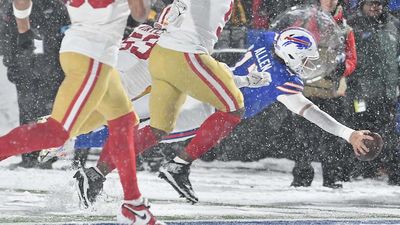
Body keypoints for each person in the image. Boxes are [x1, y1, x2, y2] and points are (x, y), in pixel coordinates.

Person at [71, 25, 373, 206]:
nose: (308, 64)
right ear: (292, 54)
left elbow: (227, 45)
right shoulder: (285, 81)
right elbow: (312, 112)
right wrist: (349, 134)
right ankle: (90, 165)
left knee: (130, 121)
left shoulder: (266, 39)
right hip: (204, 110)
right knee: (146, 132)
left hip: (195, 81)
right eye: (305, 58)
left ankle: (75, 149)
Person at [0, 0, 164, 224]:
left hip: (84, 49)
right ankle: (133, 207)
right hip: (94, 54)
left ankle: (133, 206)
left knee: (125, 122)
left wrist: (23, 28)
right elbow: (139, 14)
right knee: (56, 133)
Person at [289, 0, 358, 188]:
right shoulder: (303, 22)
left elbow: (352, 59)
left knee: (334, 139)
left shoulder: (345, 29)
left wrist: (343, 68)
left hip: (334, 92)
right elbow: (289, 46)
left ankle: (331, 178)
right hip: (308, 90)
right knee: (303, 139)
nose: (329, 1)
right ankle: (301, 178)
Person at [1, 0, 68, 169]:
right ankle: (30, 156)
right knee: (28, 113)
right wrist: (11, 63)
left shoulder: (55, 6)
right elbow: (6, 34)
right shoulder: (12, 5)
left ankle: (45, 156)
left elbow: (64, 34)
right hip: (26, 69)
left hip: (49, 69)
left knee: (46, 112)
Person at [347, 0, 400, 184]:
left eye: (379, 3)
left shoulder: (394, 24)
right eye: (371, 3)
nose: (375, 7)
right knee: (362, 127)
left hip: (388, 90)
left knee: (389, 131)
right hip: (361, 91)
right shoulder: (352, 24)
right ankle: (363, 169)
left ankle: (391, 170)